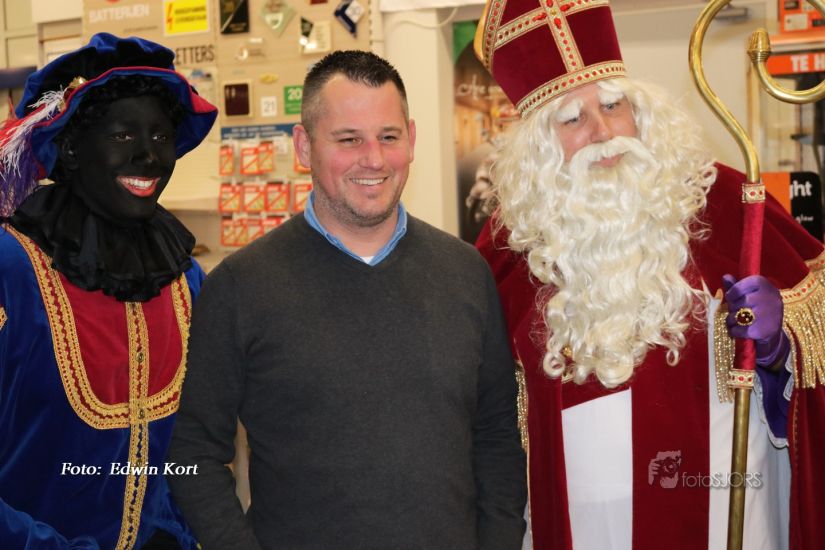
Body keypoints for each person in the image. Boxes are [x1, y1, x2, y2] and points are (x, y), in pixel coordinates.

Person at [473, 1, 825, 549]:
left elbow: (809, 366)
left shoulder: (728, 201)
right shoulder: (507, 251)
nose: (603, 131)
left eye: (614, 105)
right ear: (538, 148)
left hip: (729, 515)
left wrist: (781, 348)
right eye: (573, 118)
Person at [167, 50, 527, 549]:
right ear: (304, 146)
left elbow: (497, 437)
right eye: (348, 139)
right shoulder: (240, 286)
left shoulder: (466, 274)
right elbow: (193, 453)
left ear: (412, 139)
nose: (373, 159)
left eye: (388, 136)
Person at [0, 33, 217, 548]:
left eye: (161, 136)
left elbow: (193, 448)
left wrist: (175, 533)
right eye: (122, 135)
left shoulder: (184, 279)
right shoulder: (11, 271)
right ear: (73, 149)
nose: (149, 156)